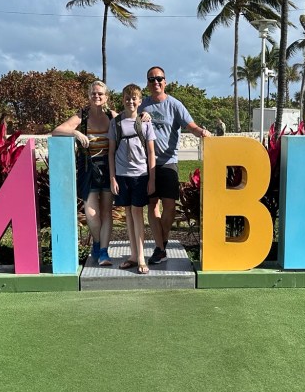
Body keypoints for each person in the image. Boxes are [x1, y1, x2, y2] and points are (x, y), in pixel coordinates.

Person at [139, 66, 211, 265]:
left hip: (169, 162)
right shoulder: (142, 105)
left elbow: (191, 126)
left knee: (169, 206)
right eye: (151, 79)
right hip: (147, 164)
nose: (155, 82)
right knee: (152, 205)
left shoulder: (175, 105)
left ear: (165, 81)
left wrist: (202, 132)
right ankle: (160, 248)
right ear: (147, 83)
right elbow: (127, 120)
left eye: (159, 78)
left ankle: (161, 243)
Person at [51, 80, 116, 266]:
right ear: (89, 96)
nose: (97, 96)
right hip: (88, 169)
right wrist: (76, 133)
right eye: (93, 93)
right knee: (91, 213)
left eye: (100, 94)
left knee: (106, 212)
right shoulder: (82, 115)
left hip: (109, 168)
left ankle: (103, 251)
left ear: (106, 97)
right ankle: (97, 243)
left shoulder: (112, 116)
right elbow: (57, 130)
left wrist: (144, 116)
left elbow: (130, 120)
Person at [109, 84, 156, 274]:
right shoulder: (116, 123)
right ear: (123, 100)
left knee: (137, 213)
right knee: (128, 214)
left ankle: (142, 258)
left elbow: (151, 152)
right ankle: (133, 255)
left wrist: (152, 179)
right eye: (127, 98)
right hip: (122, 175)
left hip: (140, 175)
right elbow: (111, 152)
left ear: (140, 101)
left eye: (134, 98)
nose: (130, 101)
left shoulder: (145, 122)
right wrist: (113, 178)